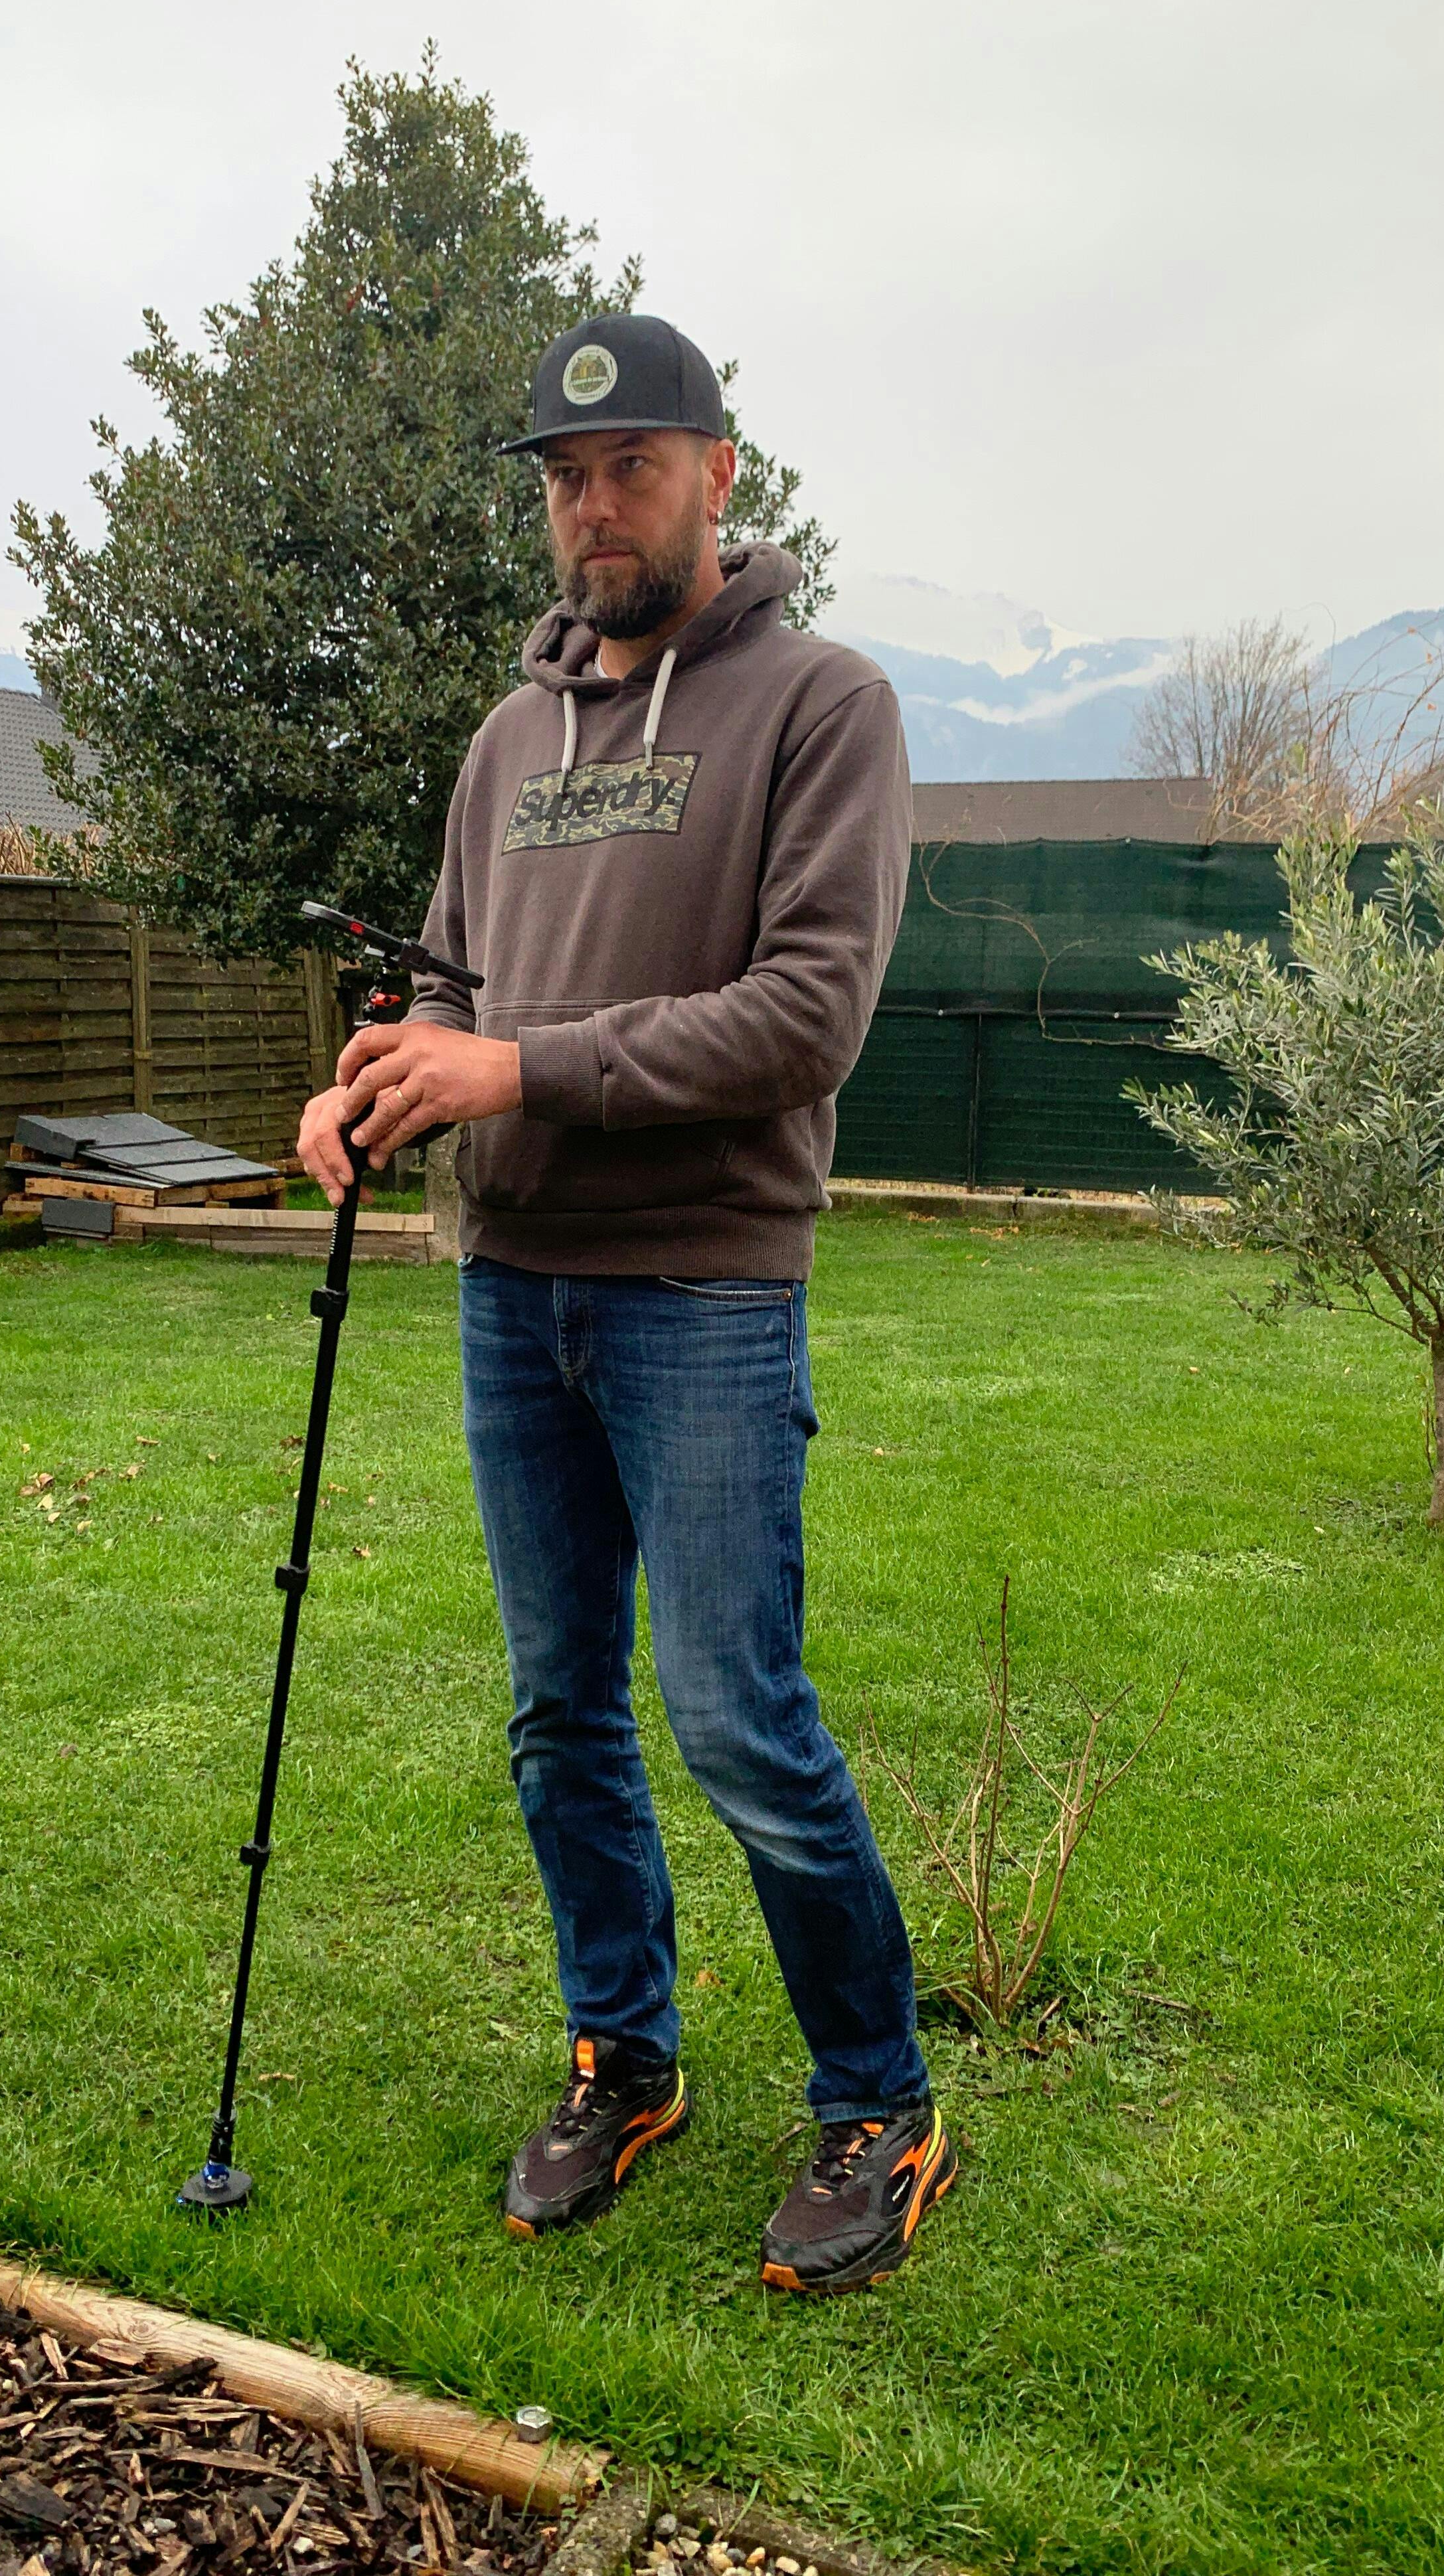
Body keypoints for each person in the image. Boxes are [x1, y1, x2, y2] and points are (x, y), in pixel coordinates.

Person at [296, 311, 951, 2295]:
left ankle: (881, 2101)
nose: (595, 506)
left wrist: (515, 1066)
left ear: (716, 476)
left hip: (703, 1288)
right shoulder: (510, 741)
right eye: (567, 479)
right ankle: (625, 2059)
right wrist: (378, 1078)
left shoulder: (823, 706)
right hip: (516, 1292)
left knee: (736, 1717)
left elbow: (806, 1016)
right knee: (558, 1712)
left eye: (632, 468)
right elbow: (456, 989)